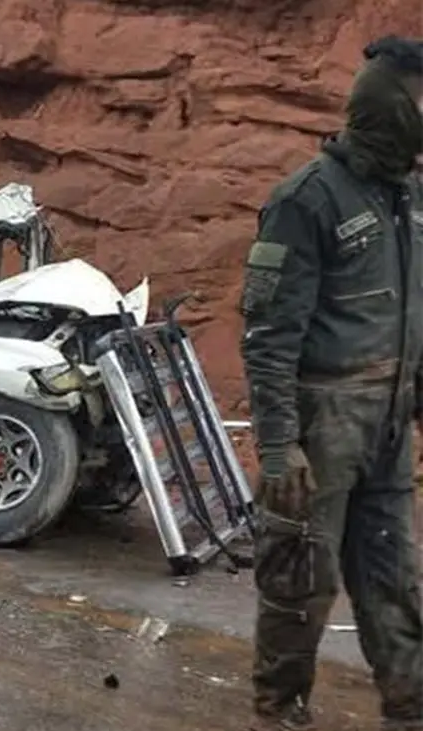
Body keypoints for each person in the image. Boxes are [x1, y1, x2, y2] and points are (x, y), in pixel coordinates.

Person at [238, 36, 423, 731]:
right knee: (298, 580)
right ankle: (278, 709)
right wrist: (280, 445)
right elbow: (266, 333)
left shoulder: (410, 199)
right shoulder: (304, 199)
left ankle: (410, 708)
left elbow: (411, 311)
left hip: (387, 425)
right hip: (321, 424)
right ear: (390, 107)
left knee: (394, 580)